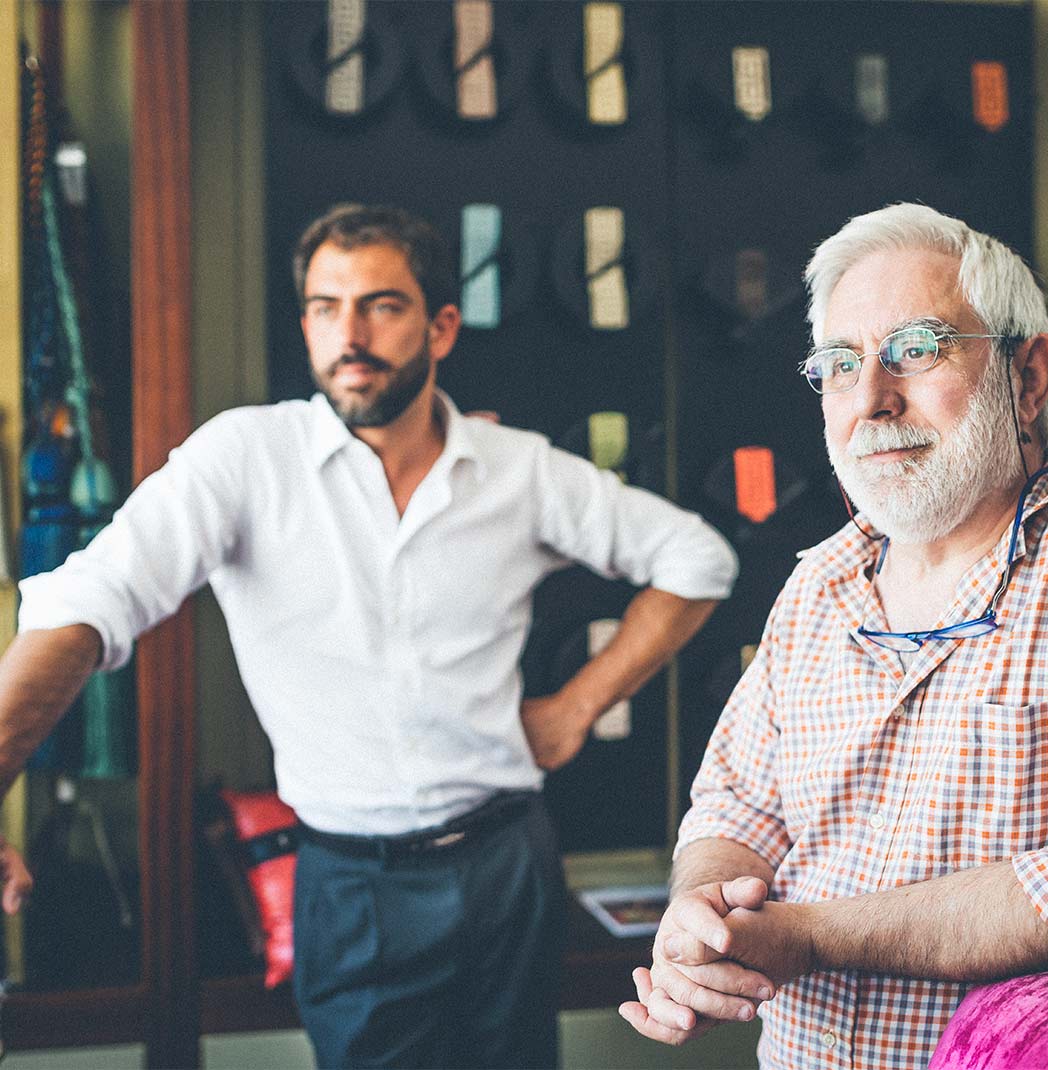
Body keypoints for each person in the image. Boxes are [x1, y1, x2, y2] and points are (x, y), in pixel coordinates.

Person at [0, 203, 738, 1069]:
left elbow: (699, 558)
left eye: (381, 305)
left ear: (441, 326)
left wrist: (579, 705)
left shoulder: (521, 472)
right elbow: (88, 601)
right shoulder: (245, 458)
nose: (347, 333)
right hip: (350, 884)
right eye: (324, 306)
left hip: (509, 863)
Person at [620, 203, 1048, 1069]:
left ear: (1028, 377)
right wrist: (702, 913)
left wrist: (809, 936)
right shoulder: (822, 581)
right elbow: (739, 804)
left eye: (917, 350)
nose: (874, 400)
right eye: (840, 366)